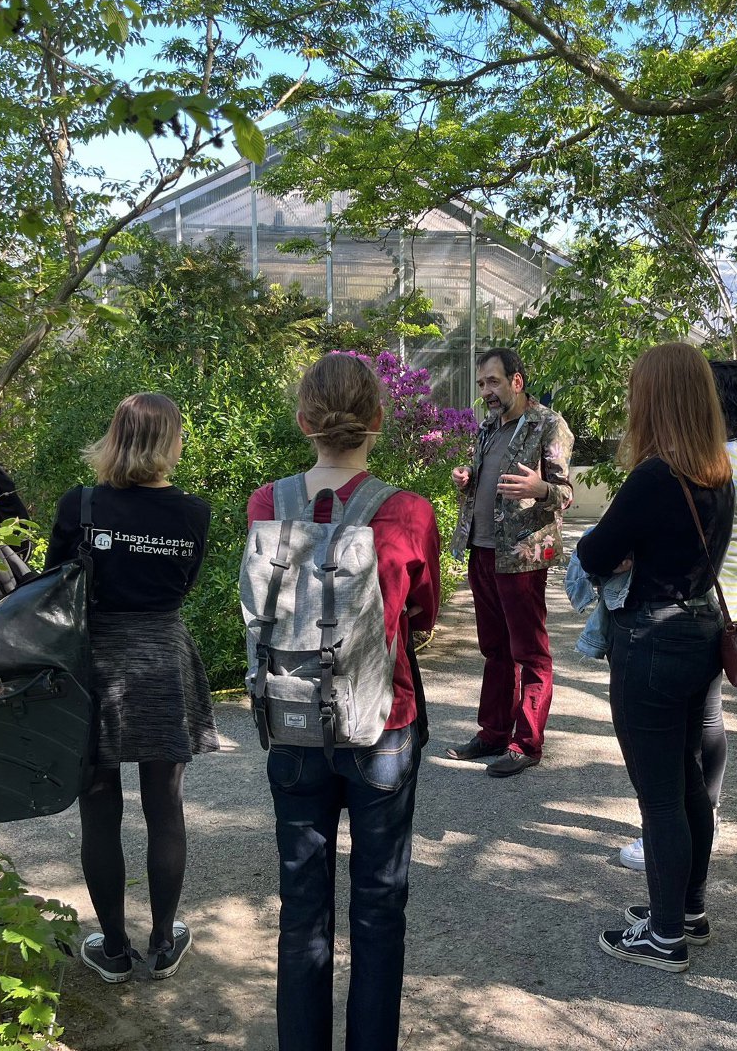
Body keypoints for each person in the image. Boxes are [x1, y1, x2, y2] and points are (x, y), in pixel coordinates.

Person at [249, 353, 441, 1051]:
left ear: (303, 421)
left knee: (301, 909)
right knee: (379, 904)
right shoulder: (408, 511)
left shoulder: (268, 504)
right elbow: (421, 615)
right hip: (381, 725)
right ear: (379, 423)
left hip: (293, 723)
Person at [45, 393, 215, 983]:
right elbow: (183, 584)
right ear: (171, 441)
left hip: (92, 665)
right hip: (163, 661)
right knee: (165, 806)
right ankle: (165, 942)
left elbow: (54, 586)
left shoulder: (81, 504)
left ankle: (114, 949)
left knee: (99, 810)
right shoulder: (193, 512)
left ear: (115, 436)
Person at [577, 341, 733, 973]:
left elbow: (591, 555)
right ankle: (687, 908)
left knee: (659, 792)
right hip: (699, 634)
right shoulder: (719, 472)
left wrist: (625, 555)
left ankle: (665, 934)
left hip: (649, 642)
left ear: (655, 399)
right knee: (689, 779)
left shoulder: (654, 477)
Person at [618, 358, 737, 872]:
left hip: (699, 600)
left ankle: (688, 824)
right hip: (729, 597)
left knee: (690, 735)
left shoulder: (724, 461)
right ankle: (696, 819)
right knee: (704, 717)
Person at [445, 347, 574, 777]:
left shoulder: (549, 425)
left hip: (521, 554)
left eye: (494, 382)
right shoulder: (488, 428)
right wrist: (468, 479)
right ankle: (494, 732)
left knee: (529, 651)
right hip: (482, 549)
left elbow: (565, 494)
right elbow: (487, 482)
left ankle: (527, 742)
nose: (486, 391)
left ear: (517, 381)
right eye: (482, 384)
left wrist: (541, 488)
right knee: (494, 649)